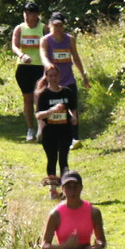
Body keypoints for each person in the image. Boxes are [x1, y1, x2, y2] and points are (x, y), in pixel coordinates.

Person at [40, 12, 90, 149]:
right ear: (50, 25)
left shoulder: (70, 39)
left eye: (61, 25)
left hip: (68, 80)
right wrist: (49, 67)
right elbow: (43, 56)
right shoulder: (45, 40)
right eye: (55, 25)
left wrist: (83, 75)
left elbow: (76, 57)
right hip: (53, 82)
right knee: (53, 109)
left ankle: (75, 138)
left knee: (72, 108)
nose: (58, 28)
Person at [34, 66, 77, 198]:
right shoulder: (43, 94)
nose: (53, 78)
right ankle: (53, 190)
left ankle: (66, 190)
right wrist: (52, 111)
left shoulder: (67, 92)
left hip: (65, 131)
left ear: (59, 77)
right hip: (49, 132)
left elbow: (72, 109)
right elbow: (38, 115)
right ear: (46, 77)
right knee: (52, 159)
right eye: (50, 76)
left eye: (55, 76)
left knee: (64, 159)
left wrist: (74, 118)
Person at [11, 2, 47, 142]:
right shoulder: (19, 28)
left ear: (37, 14)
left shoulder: (43, 28)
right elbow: (14, 45)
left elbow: (50, 44)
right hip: (24, 67)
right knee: (28, 99)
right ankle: (30, 129)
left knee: (40, 99)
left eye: (30, 13)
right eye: (25, 13)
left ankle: (41, 128)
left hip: (40, 67)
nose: (27, 15)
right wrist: (22, 55)